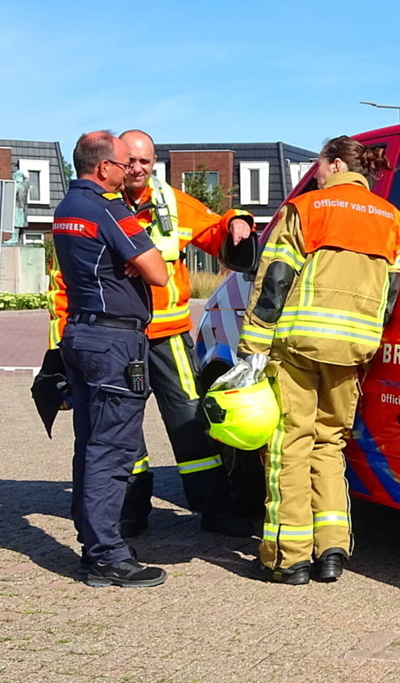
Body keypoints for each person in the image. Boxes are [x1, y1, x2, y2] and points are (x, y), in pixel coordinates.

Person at [48, 130, 258, 538]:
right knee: (123, 428)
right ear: (116, 162)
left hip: (168, 333)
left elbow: (217, 231)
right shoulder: (98, 205)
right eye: (131, 162)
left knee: (191, 419)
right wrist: (57, 352)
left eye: (146, 162)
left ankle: (214, 509)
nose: (138, 169)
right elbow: (62, 282)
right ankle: (130, 512)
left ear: (153, 163)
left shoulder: (174, 204)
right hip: (117, 338)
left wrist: (239, 223)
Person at [238, 136, 400, 585]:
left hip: (299, 345)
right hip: (353, 350)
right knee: (330, 445)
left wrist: (252, 349)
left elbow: (274, 282)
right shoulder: (395, 221)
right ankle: (332, 547)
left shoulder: (308, 210)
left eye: (317, 166)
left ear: (334, 164)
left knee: (288, 445)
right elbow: (389, 297)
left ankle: (287, 556)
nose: (314, 174)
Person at [54, 131, 168, 587]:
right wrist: (137, 257)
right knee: (113, 449)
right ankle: (107, 556)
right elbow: (158, 272)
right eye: (123, 165)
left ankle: (92, 543)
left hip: (80, 334)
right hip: (114, 343)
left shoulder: (67, 208)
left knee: (89, 444)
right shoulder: (109, 209)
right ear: (103, 168)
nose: (128, 173)